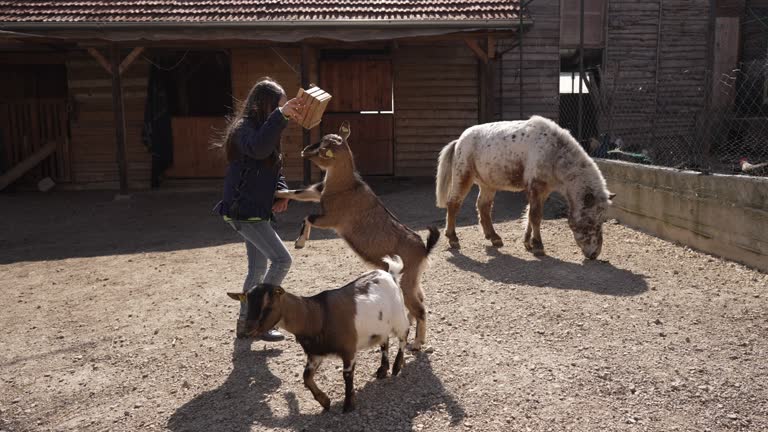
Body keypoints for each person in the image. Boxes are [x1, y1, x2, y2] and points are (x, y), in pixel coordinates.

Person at [214, 77, 304, 340]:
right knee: (282, 260)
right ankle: (259, 319)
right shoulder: (244, 129)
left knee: (256, 269)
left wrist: (282, 192)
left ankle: (246, 325)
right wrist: (279, 117)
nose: (285, 110)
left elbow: (273, 165)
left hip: (255, 210)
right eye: (280, 105)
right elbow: (259, 149)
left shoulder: (266, 128)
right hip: (244, 211)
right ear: (266, 105)